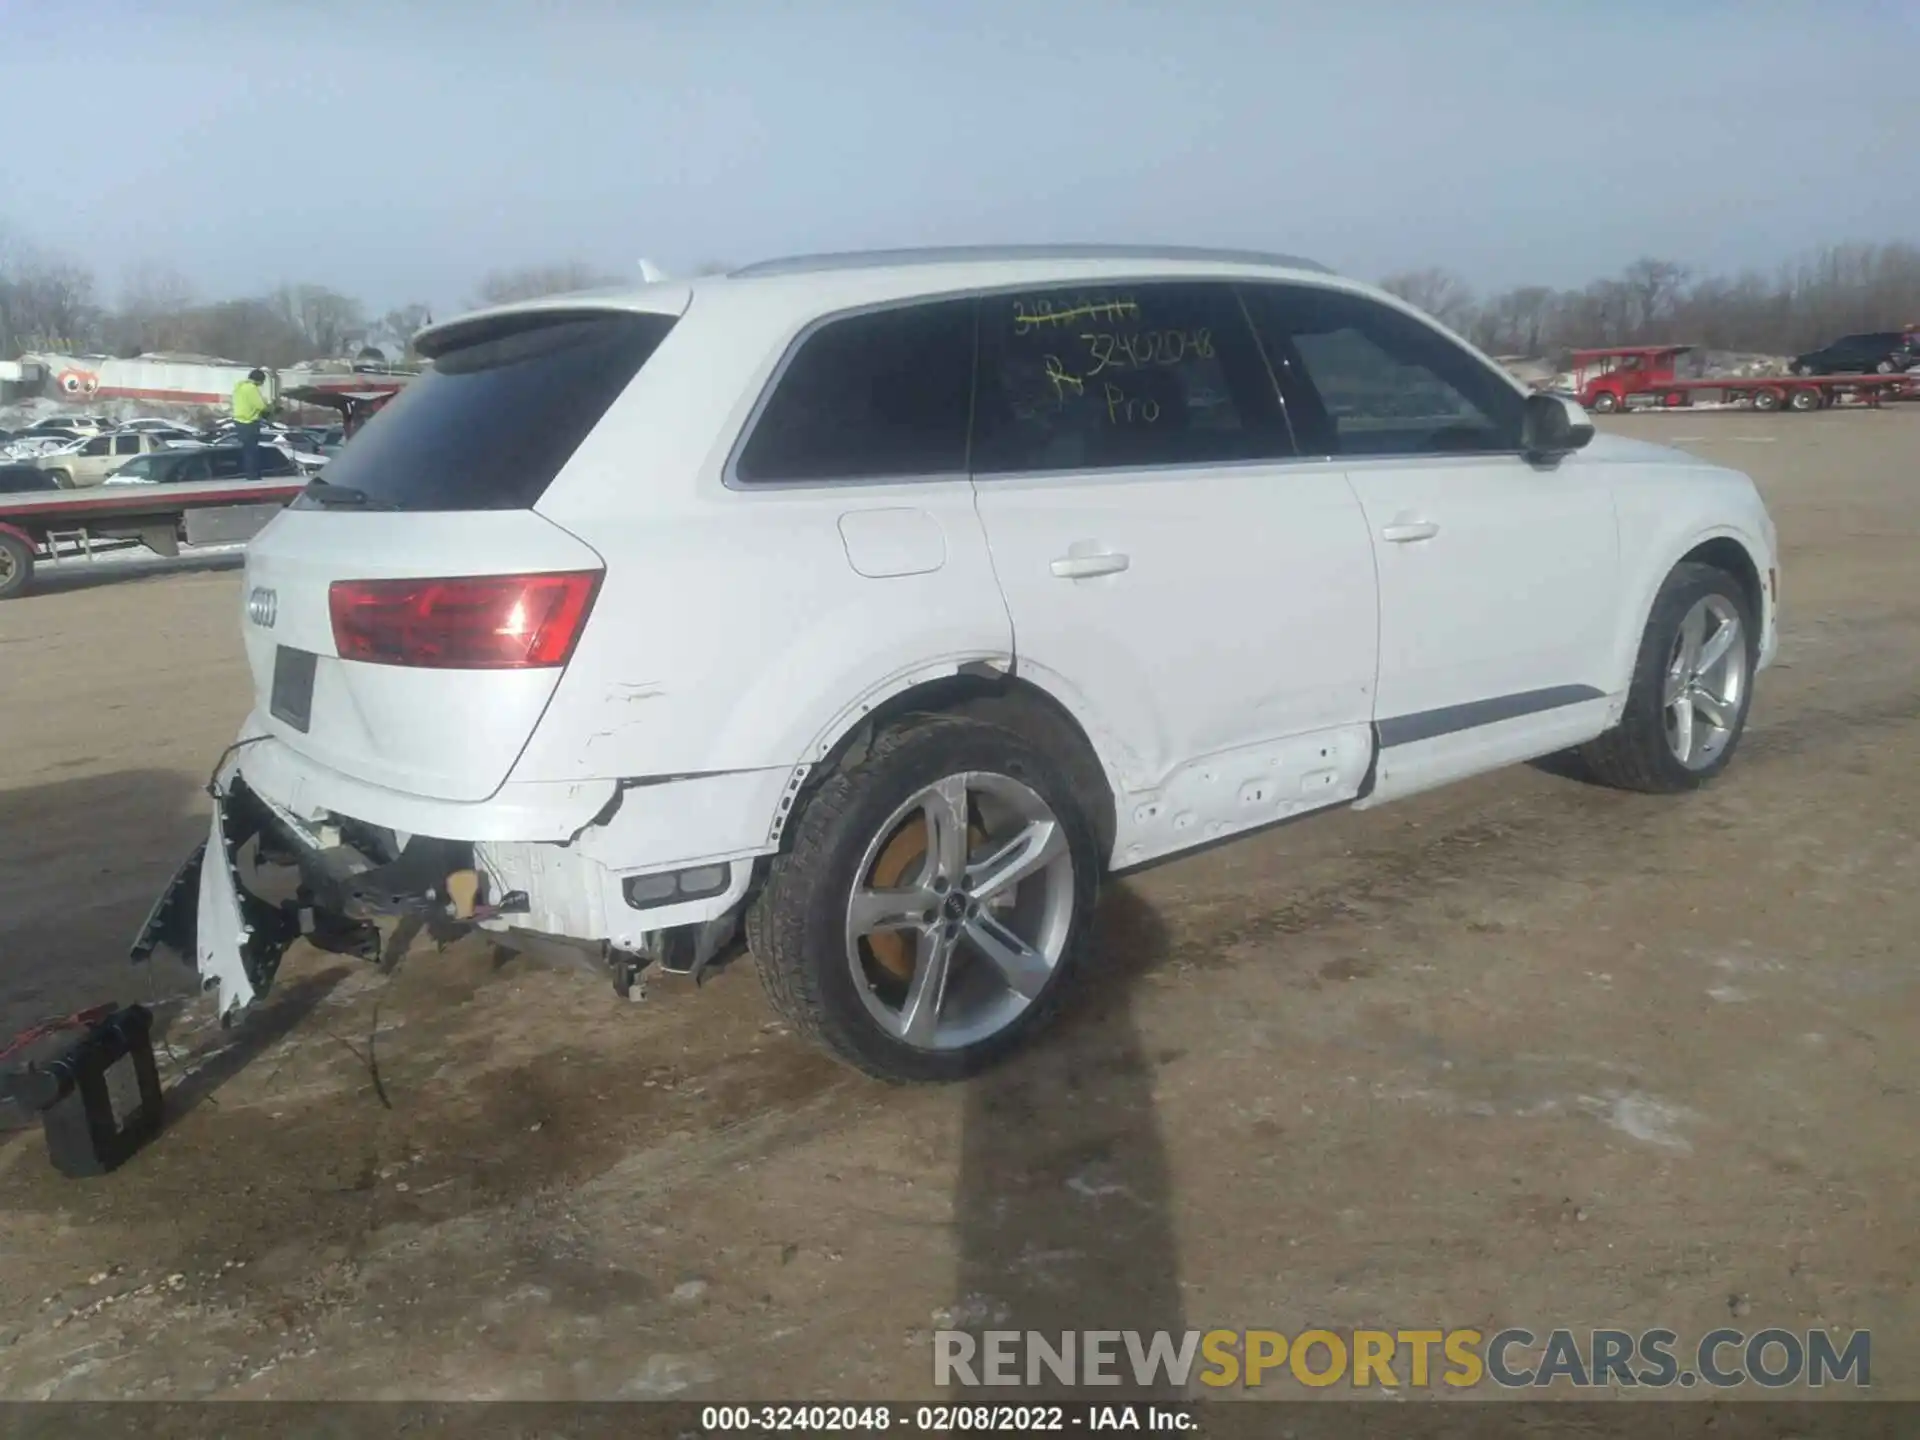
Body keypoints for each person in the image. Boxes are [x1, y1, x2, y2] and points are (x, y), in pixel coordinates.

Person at [231, 367, 271, 483]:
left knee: (246, 450)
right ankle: (253, 475)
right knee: (252, 450)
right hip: (250, 422)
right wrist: (268, 407)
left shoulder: (239, 387)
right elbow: (260, 406)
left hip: (239, 421)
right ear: (259, 380)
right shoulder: (251, 388)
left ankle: (248, 473)